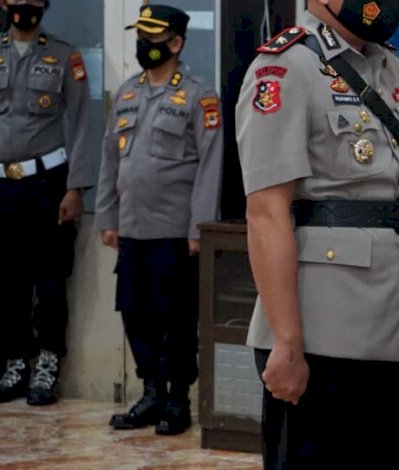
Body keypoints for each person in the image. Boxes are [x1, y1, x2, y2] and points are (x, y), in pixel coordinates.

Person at [234, 0, 399, 467]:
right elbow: (266, 211)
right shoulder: (285, 67)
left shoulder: (389, 65)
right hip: (320, 329)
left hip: (389, 323)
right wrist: (286, 342)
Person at [95, 4, 223, 436]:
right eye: (141, 39)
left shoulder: (199, 96)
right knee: (136, 314)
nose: (144, 46)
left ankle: (177, 400)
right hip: (132, 228)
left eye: (153, 40)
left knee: (177, 321)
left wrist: (198, 228)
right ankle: (150, 392)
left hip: (174, 233)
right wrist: (107, 216)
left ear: (176, 44)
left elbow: (210, 166)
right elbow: (110, 159)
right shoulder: (127, 94)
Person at [0, 0, 92, 406]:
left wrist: (77, 187)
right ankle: (17, 360)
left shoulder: (64, 56)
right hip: (2, 185)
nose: (27, 6)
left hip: (48, 184)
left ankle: (48, 364)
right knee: (8, 280)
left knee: (51, 281)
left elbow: (82, 123)